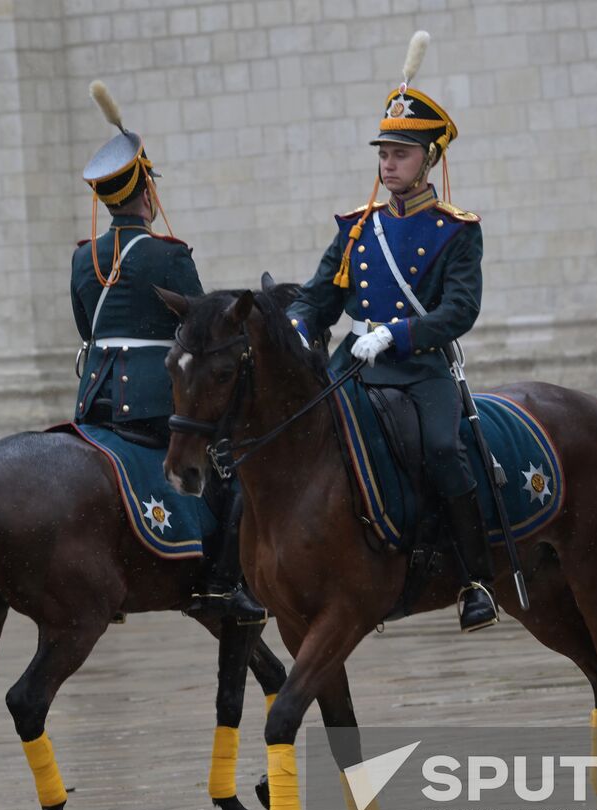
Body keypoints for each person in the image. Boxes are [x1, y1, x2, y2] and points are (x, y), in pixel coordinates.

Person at [285, 32, 497, 633]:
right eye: (383, 153)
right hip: (355, 363)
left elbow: (459, 310)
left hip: (419, 366)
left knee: (440, 450)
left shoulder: (458, 230)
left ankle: (475, 578)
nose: (388, 164)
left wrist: (399, 334)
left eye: (401, 154)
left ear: (429, 159)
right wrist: (299, 325)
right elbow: (318, 293)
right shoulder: (357, 228)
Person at [72, 84, 264, 622]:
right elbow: (201, 329)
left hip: (94, 401)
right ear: (146, 191)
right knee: (230, 470)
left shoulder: (82, 259)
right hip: (155, 400)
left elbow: (86, 328)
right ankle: (224, 585)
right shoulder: (167, 256)